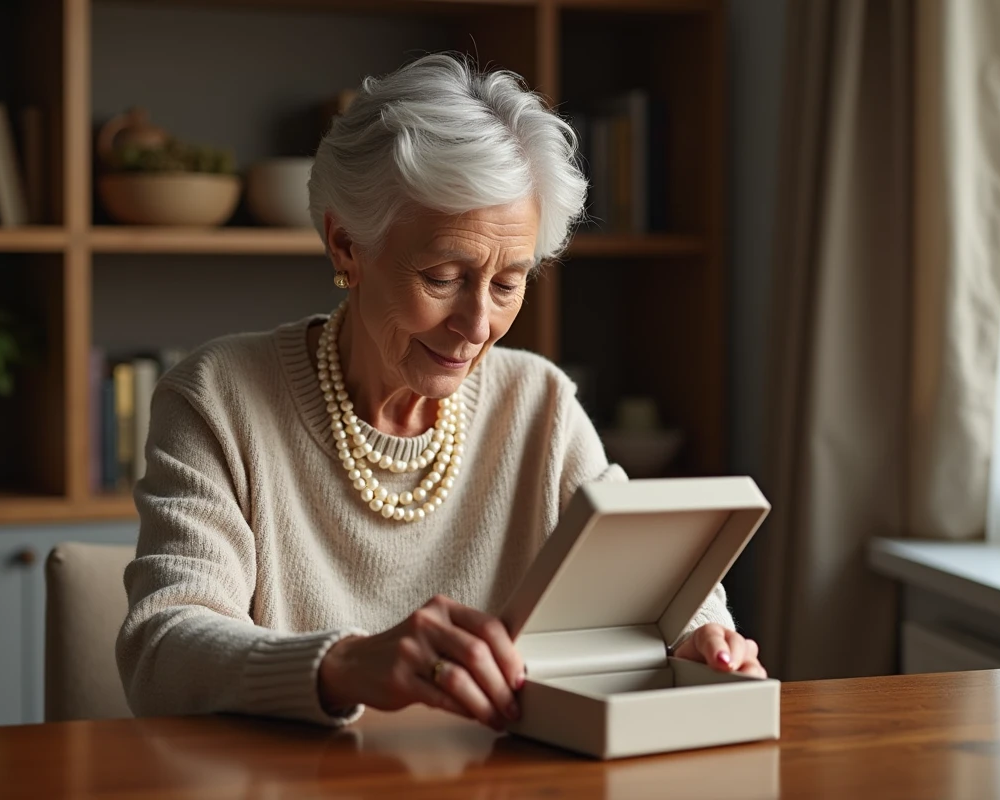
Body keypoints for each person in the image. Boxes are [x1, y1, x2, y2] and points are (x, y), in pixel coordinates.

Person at [116, 53, 765, 732]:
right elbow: (161, 651)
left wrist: (702, 640)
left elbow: (646, 580)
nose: (477, 325)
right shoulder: (218, 398)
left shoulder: (536, 404)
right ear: (346, 246)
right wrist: (345, 663)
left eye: (509, 282)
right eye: (444, 275)